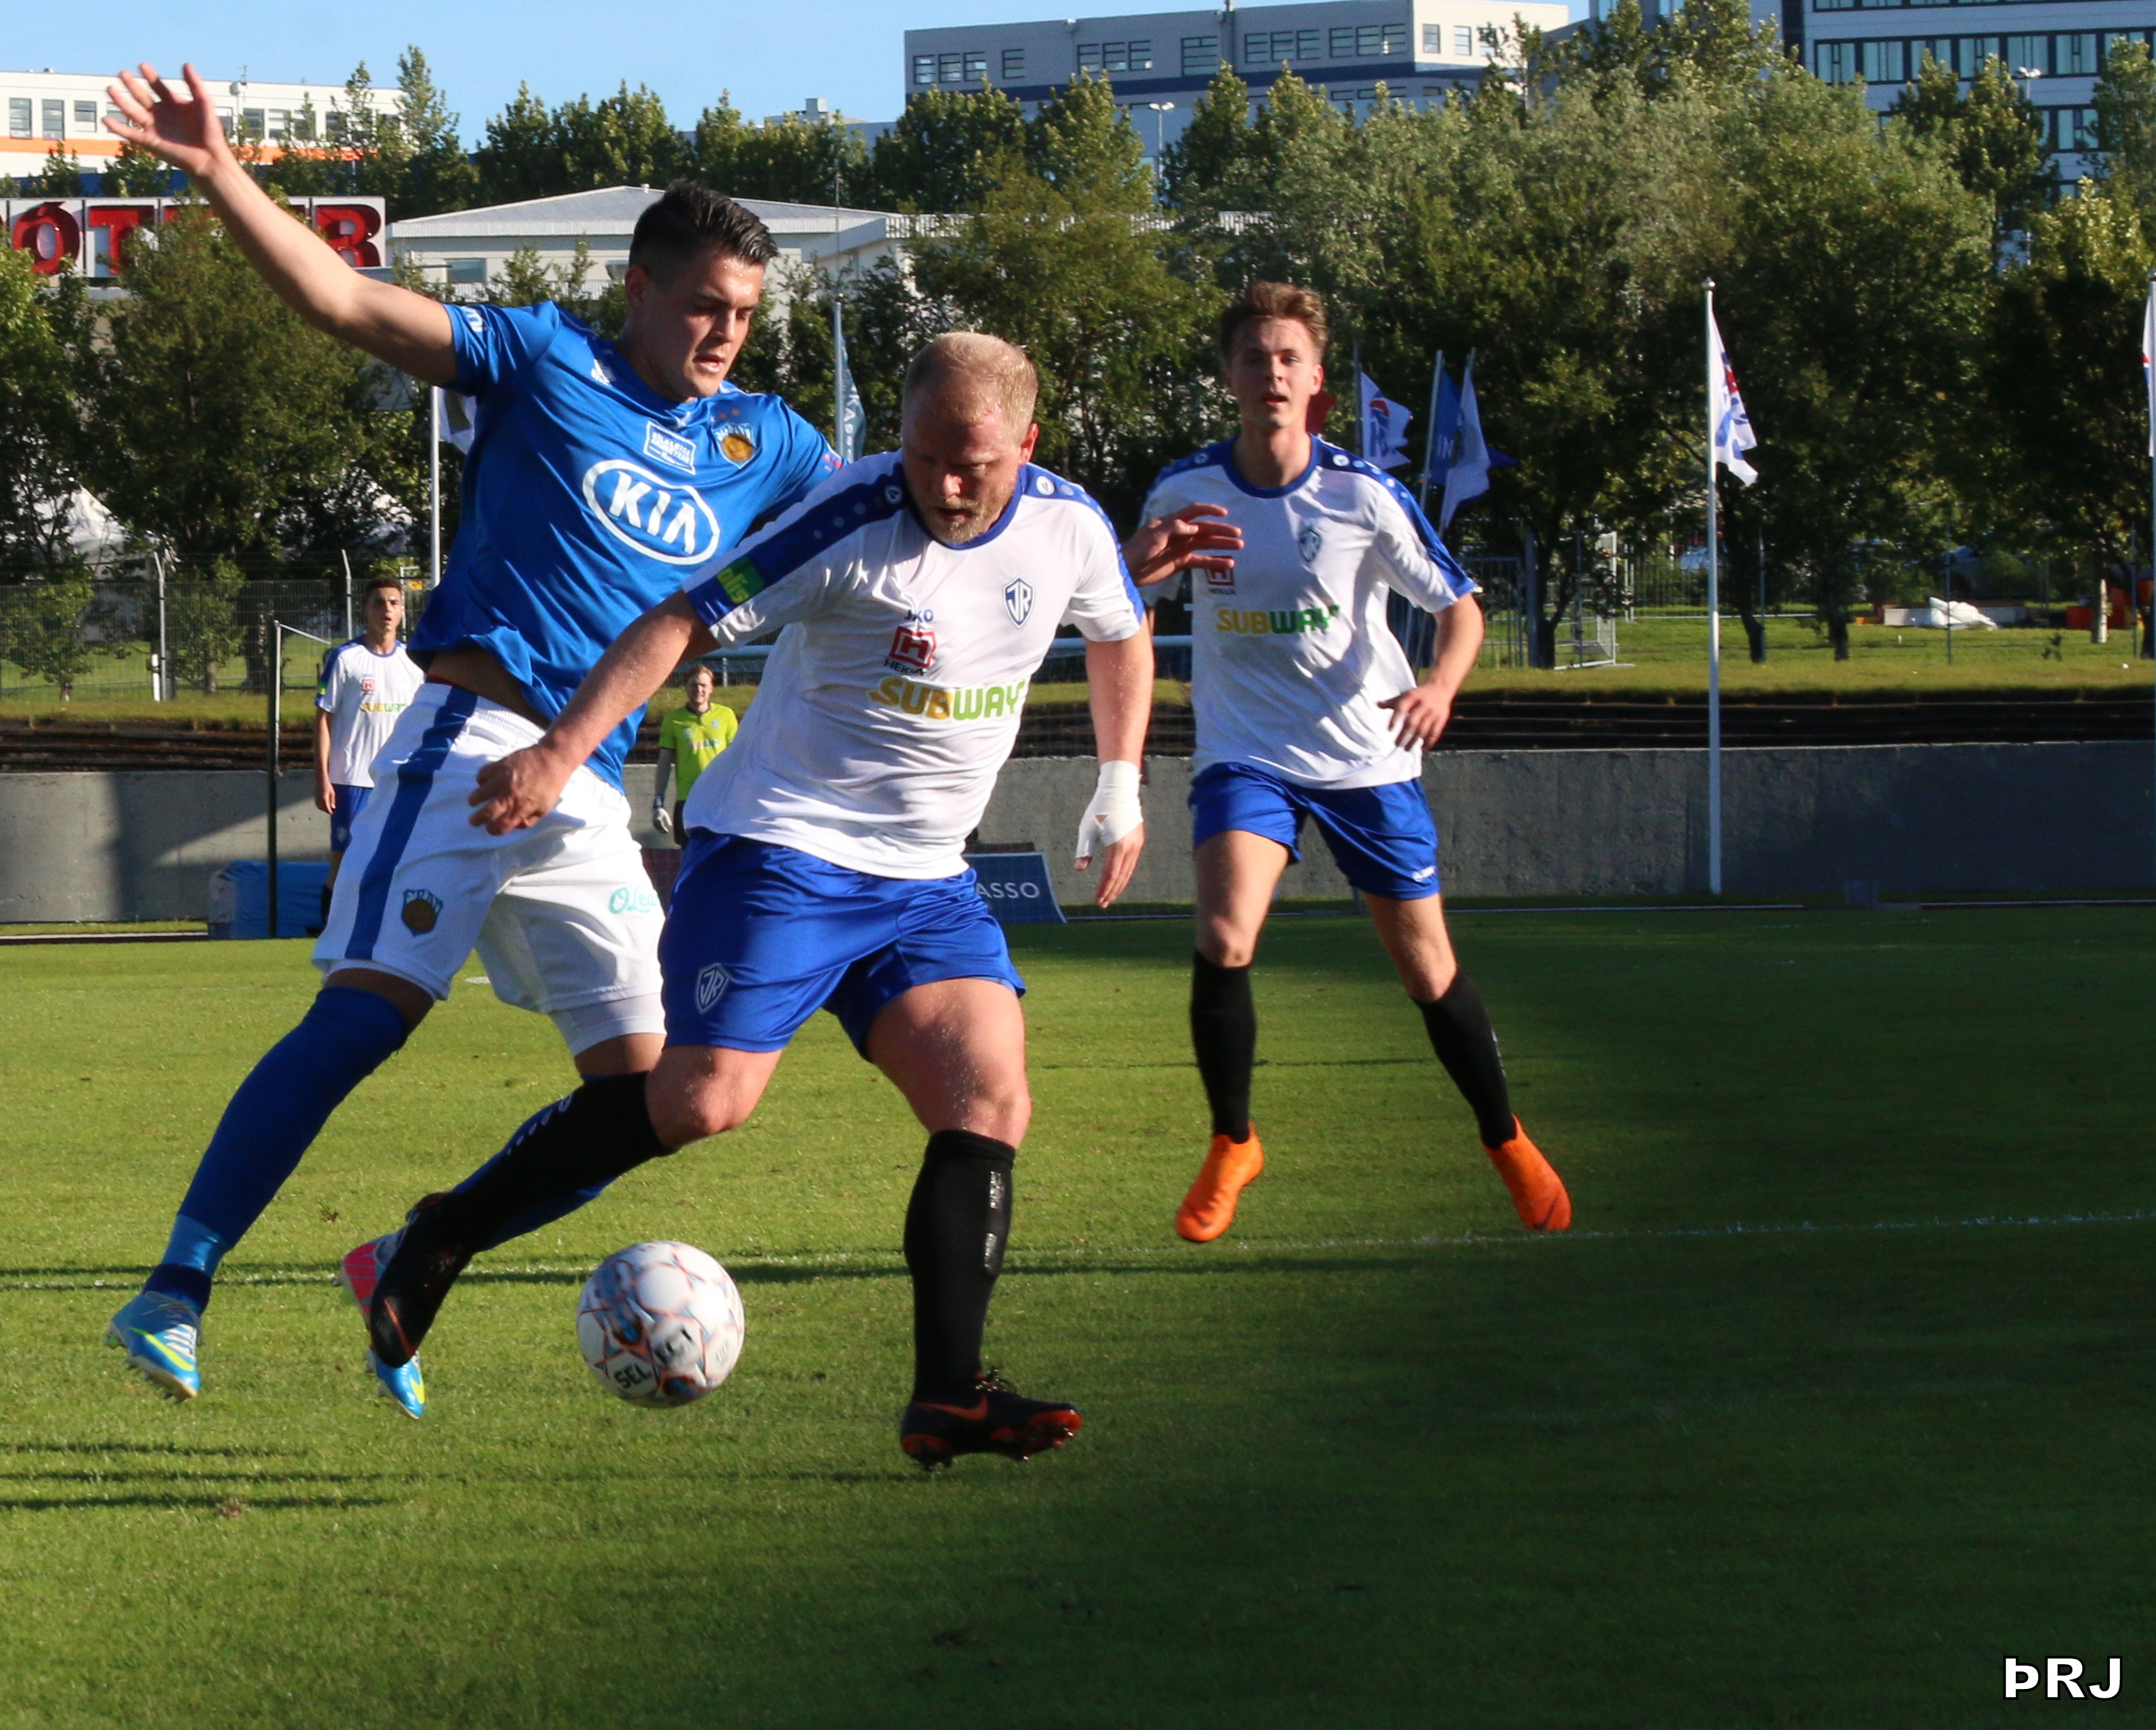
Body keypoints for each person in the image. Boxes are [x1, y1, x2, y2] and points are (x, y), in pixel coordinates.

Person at [95, 62, 839, 1413]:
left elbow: (884, 521)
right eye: (703, 306)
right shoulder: (547, 360)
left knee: (656, 1095)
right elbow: (346, 301)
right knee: (364, 1019)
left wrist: (1071, 548)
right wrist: (218, 173)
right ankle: (176, 1289)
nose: (725, 334)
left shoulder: (767, 443)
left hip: (588, 782)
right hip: (467, 746)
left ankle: (418, 1248)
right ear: (639, 289)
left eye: (743, 314)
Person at [343, 334, 1153, 1467]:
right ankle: (439, 1237)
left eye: (970, 463)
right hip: (781, 853)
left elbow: (1119, 629)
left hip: (926, 879)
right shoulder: (846, 521)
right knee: (703, 1101)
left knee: (986, 1099)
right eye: (921, 454)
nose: (941, 483)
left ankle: (949, 1395)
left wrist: (1119, 783)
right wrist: (563, 751)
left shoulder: (1069, 525)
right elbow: (678, 620)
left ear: (1027, 443)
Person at [1125, 280, 1570, 1245]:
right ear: (1228, 375)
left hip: (1368, 755)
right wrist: (1135, 570)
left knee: (1427, 971)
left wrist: (1439, 686)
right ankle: (1232, 1140)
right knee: (1223, 937)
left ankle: (1503, 1137)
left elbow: (1459, 609)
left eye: (1287, 357)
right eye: (1253, 357)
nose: (1270, 373)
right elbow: (1124, 606)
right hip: (1245, 754)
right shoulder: (1182, 491)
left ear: (1314, 377)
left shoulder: (1359, 492)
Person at [315, 577, 424, 897]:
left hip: (396, 780)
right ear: (365, 610)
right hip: (352, 780)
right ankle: (329, 927)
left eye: (394, 603)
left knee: (398, 861)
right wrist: (322, 779)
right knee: (344, 865)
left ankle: (381, 927)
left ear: (402, 611)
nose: (386, 610)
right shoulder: (345, 658)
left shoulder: (414, 662)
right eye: (379, 603)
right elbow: (323, 720)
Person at [651, 662, 735, 845]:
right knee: (689, 852)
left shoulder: (726, 715)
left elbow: (737, 757)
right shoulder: (673, 720)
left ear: (711, 688)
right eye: (693, 685)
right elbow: (664, 762)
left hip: (720, 797)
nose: (698, 689)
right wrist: (658, 800)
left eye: (703, 685)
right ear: (686, 688)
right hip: (688, 799)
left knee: (724, 853)